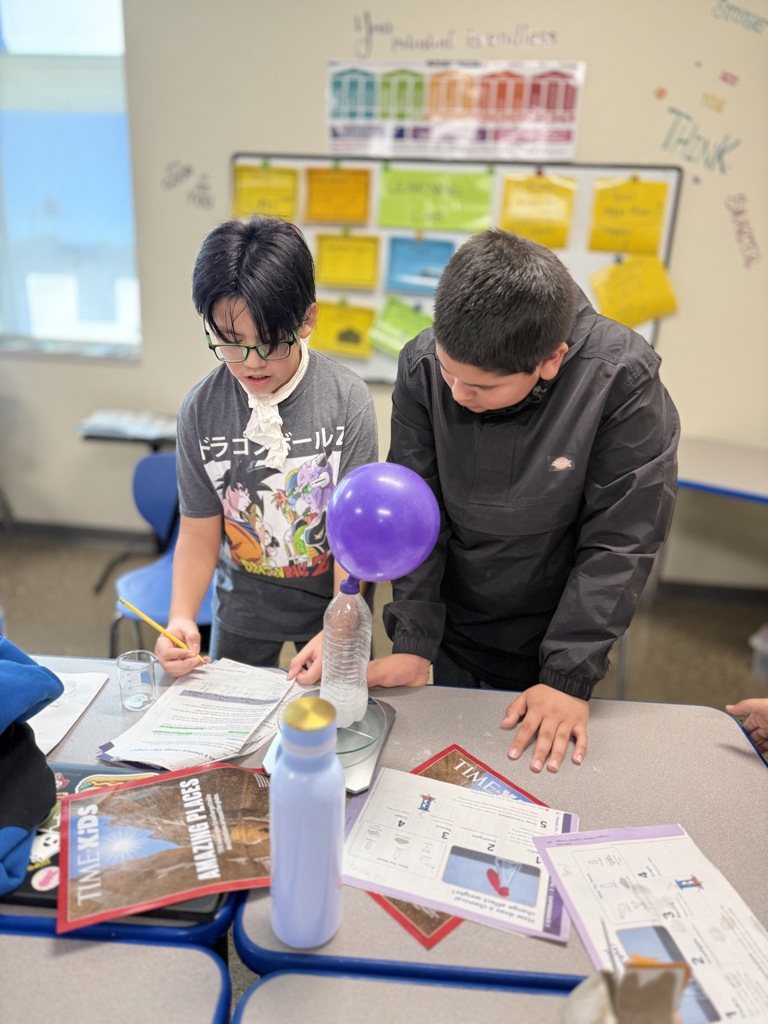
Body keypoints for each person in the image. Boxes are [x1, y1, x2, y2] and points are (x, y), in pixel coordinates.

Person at [366, 229, 680, 773]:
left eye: (481, 388)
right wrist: (414, 640)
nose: (458, 393)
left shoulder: (621, 378)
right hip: (452, 624)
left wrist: (567, 675)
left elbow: (621, 541)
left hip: (557, 632)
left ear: (552, 360)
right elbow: (418, 510)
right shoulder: (421, 365)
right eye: (448, 372)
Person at [155, 216, 377, 676]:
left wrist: (343, 623)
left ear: (307, 320)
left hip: (335, 599)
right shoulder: (201, 409)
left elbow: (355, 540)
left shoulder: (347, 399)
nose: (251, 364)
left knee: (337, 717)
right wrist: (179, 618)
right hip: (243, 604)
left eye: (272, 343)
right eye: (230, 343)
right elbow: (198, 533)